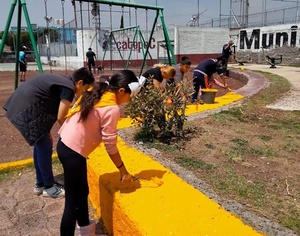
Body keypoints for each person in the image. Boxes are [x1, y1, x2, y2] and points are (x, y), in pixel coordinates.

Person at [57, 70, 140, 236]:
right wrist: (123, 170)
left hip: (66, 145)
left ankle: (86, 229)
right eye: (129, 97)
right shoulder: (110, 108)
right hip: (73, 152)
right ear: (122, 91)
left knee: (82, 192)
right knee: (71, 204)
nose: (128, 102)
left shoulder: (98, 90)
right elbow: (110, 145)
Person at [3, 68, 95, 198]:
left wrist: (46, 130)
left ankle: (40, 184)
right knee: (45, 146)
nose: (83, 93)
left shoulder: (63, 81)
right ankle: (49, 188)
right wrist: (72, 134)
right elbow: (61, 117)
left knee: (40, 145)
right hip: (26, 109)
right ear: (80, 83)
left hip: (21, 106)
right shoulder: (68, 88)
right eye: (85, 89)